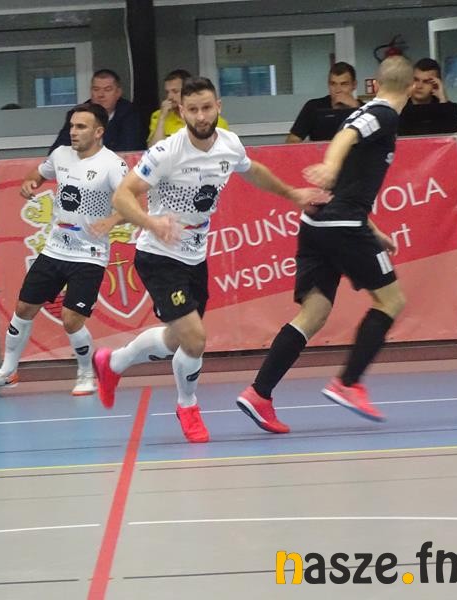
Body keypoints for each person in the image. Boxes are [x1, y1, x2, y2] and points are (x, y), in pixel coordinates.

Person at [91, 77, 324, 443]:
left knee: (176, 339)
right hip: (158, 255)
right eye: (193, 110)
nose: (201, 116)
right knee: (196, 339)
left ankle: (113, 362)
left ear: (218, 107)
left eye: (206, 108)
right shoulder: (167, 152)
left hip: (195, 257)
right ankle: (187, 407)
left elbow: (253, 171)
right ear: (181, 111)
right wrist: (152, 223)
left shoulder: (229, 144)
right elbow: (123, 195)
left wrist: (292, 194)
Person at [237, 55, 415, 434]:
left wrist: (373, 229)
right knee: (392, 301)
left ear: (376, 82)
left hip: (317, 222)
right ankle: (348, 383)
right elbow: (346, 135)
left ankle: (259, 393)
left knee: (314, 313)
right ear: (412, 87)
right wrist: (331, 166)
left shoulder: (370, 111)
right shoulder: (383, 115)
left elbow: (350, 178)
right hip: (342, 225)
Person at [0, 103, 127, 396]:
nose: (73, 132)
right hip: (55, 250)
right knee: (23, 308)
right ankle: (8, 371)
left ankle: (86, 373)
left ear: (98, 132)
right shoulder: (60, 155)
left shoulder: (113, 164)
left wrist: (111, 220)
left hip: (89, 256)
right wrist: (30, 182)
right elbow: (38, 173)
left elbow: (131, 203)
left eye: (81, 127)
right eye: (72, 126)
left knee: (71, 319)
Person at [399, 57, 457, 254]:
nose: (419, 86)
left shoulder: (444, 108)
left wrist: (443, 98)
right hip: (406, 171)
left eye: (427, 81)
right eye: (416, 80)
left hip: (439, 170)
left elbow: (452, 136)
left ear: (436, 84)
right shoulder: (400, 108)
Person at [49, 69, 145, 153]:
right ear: (91, 92)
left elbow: (129, 149)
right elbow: (57, 151)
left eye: (107, 90)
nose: (101, 95)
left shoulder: (130, 113)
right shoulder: (77, 114)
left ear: (118, 93)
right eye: (96, 89)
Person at [147, 69, 229, 146]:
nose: (169, 97)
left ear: (188, 91)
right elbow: (153, 149)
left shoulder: (214, 120)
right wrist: (162, 117)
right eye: (167, 92)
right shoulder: (159, 116)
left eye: (175, 91)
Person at [286, 62, 363, 143]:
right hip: (321, 150)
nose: (338, 90)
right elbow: (292, 140)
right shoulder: (313, 107)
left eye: (344, 84)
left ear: (354, 85)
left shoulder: (365, 110)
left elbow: (370, 144)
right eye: (333, 84)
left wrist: (355, 108)